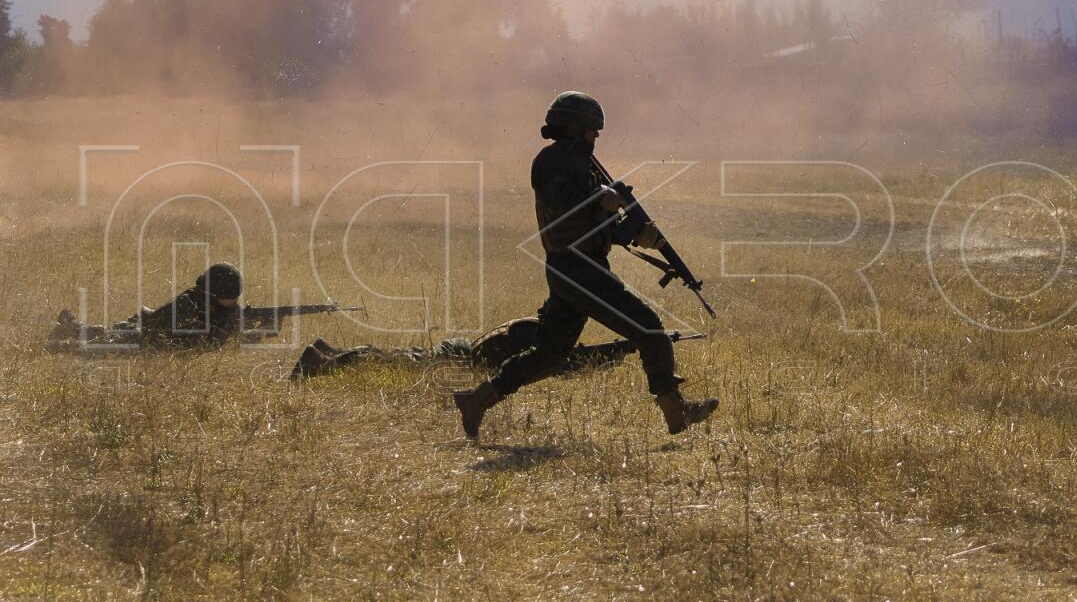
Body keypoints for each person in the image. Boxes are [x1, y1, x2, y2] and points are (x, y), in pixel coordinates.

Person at [453, 91, 718, 439]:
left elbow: (592, 223)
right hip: (578, 269)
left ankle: (477, 400)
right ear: (575, 128)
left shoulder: (580, 166)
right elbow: (564, 207)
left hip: (575, 268)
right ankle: (675, 410)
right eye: (592, 131)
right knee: (650, 330)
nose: (596, 139)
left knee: (550, 355)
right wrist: (602, 200)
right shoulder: (551, 163)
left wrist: (635, 235)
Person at [288, 316, 647, 380]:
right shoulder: (532, 337)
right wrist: (615, 353)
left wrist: (618, 350)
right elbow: (564, 365)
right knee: (391, 361)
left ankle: (325, 351)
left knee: (396, 357)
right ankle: (319, 362)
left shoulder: (531, 329)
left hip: (459, 353)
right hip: (457, 359)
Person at [47, 262, 257, 351]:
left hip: (144, 337)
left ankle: (69, 324)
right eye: (228, 297)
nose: (232, 302)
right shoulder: (189, 302)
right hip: (141, 335)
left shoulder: (220, 310)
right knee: (100, 345)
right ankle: (58, 343)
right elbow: (158, 332)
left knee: (102, 334)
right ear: (213, 293)